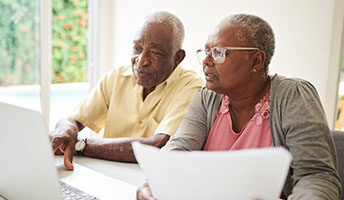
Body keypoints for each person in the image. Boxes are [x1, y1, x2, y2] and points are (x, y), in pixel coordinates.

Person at [136, 14, 341, 200]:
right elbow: (177, 150)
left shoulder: (293, 96)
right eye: (206, 52)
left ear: (256, 60)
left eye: (218, 53)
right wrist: (150, 186)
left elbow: (317, 177)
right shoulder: (207, 98)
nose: (206, 61)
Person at [50, 11, 203, 170]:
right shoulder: (117, 77)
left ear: (178, 58)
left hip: (148, 182)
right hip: (104, 174)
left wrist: (81, 145)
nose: (141, 61)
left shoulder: (192, 87)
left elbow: (158, 145)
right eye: (137, 48)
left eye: (155, 52)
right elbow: (74, 120)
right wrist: (66, 131)